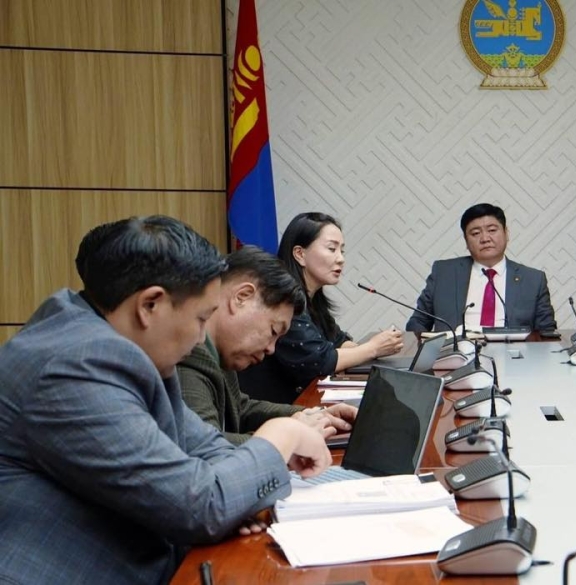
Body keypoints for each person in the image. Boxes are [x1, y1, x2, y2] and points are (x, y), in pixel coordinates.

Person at [0, 216, 331, 584]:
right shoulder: (75, 365)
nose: (201, 338)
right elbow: (200, 506)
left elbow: (205, 448)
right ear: (150, 305)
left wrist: (238, 498)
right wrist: (282, 436)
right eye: (201, 318)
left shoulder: (128, 349)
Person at [179, 246, 358, 445]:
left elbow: (239, 408)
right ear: (242, 297)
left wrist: (310, 416)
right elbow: (206, 447)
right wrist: (287, 436)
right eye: (273, 331)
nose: (271, 349)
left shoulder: (220, 350)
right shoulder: (187, 354)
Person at [240, 212, 404, 404]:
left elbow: (337, 340)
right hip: (273, 407)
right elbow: (318, 361)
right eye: (332, 249)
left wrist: (376, 348)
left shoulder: (314, 298)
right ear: (300, 254)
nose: (341, 259)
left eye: (342, 250)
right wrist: (372, 348)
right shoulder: (283, 301)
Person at [405, 203, 558, 334]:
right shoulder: (444, 273)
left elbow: (547, 331)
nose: (485, 239)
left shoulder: (533, 280)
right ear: (466, 241)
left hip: (513, 355)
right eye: (476, 233)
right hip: (456, 355)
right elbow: (417, 322)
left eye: (492, 230)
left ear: (506, 233)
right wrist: (432, 350)